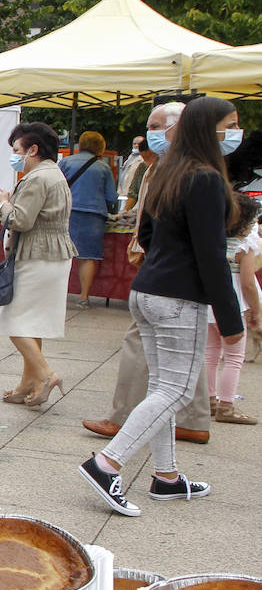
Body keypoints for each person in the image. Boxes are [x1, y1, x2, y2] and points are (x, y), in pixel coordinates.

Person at [79, 96, 244, 516]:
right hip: (178, 296)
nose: (234, 133)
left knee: (163, 389)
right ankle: (107, 464)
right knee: (175, 389)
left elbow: (148, 235)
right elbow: (211, 253)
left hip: (149, 289)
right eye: (230, 124)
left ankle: (167, 477)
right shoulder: (204, 177)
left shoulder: (166, 170)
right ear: (209, 129)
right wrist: (231, 319)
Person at [81, 102, 214, 444]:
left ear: (178, 128)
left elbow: (194, 238)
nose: (150, 134)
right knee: (185, 351)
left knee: (146, 344)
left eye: (157, 126)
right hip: (169, 274)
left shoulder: (185, 170)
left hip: (166, 276)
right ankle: (191, 420)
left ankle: (121, 428)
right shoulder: (179, 166)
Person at [0, 122, 77, 407]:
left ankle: (46, 375)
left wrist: (2, 203)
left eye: (17, 150)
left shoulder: (38, 177)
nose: (14, 156)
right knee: (33, 322)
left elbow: (21, 220)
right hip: (51, 255)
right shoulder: (54, 173)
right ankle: (29, 383)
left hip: (36, 255)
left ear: (33, 149)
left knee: (15, 321)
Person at [204, 192, 261, 426]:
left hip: (208, 303)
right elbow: (248, 282)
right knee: (234, 357)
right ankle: (226, 405)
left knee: (210, 353)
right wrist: (257, 309)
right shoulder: (245, 246)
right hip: (233, 304)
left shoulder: (211, 239)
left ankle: (208, 400)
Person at [59, 131, 120, 308]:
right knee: (87, 257)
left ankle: (60, 293)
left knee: (62, 255)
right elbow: (112, 197)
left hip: (66, 213)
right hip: (93, 216)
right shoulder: (103, 168)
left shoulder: (66, 162)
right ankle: (84, 297)